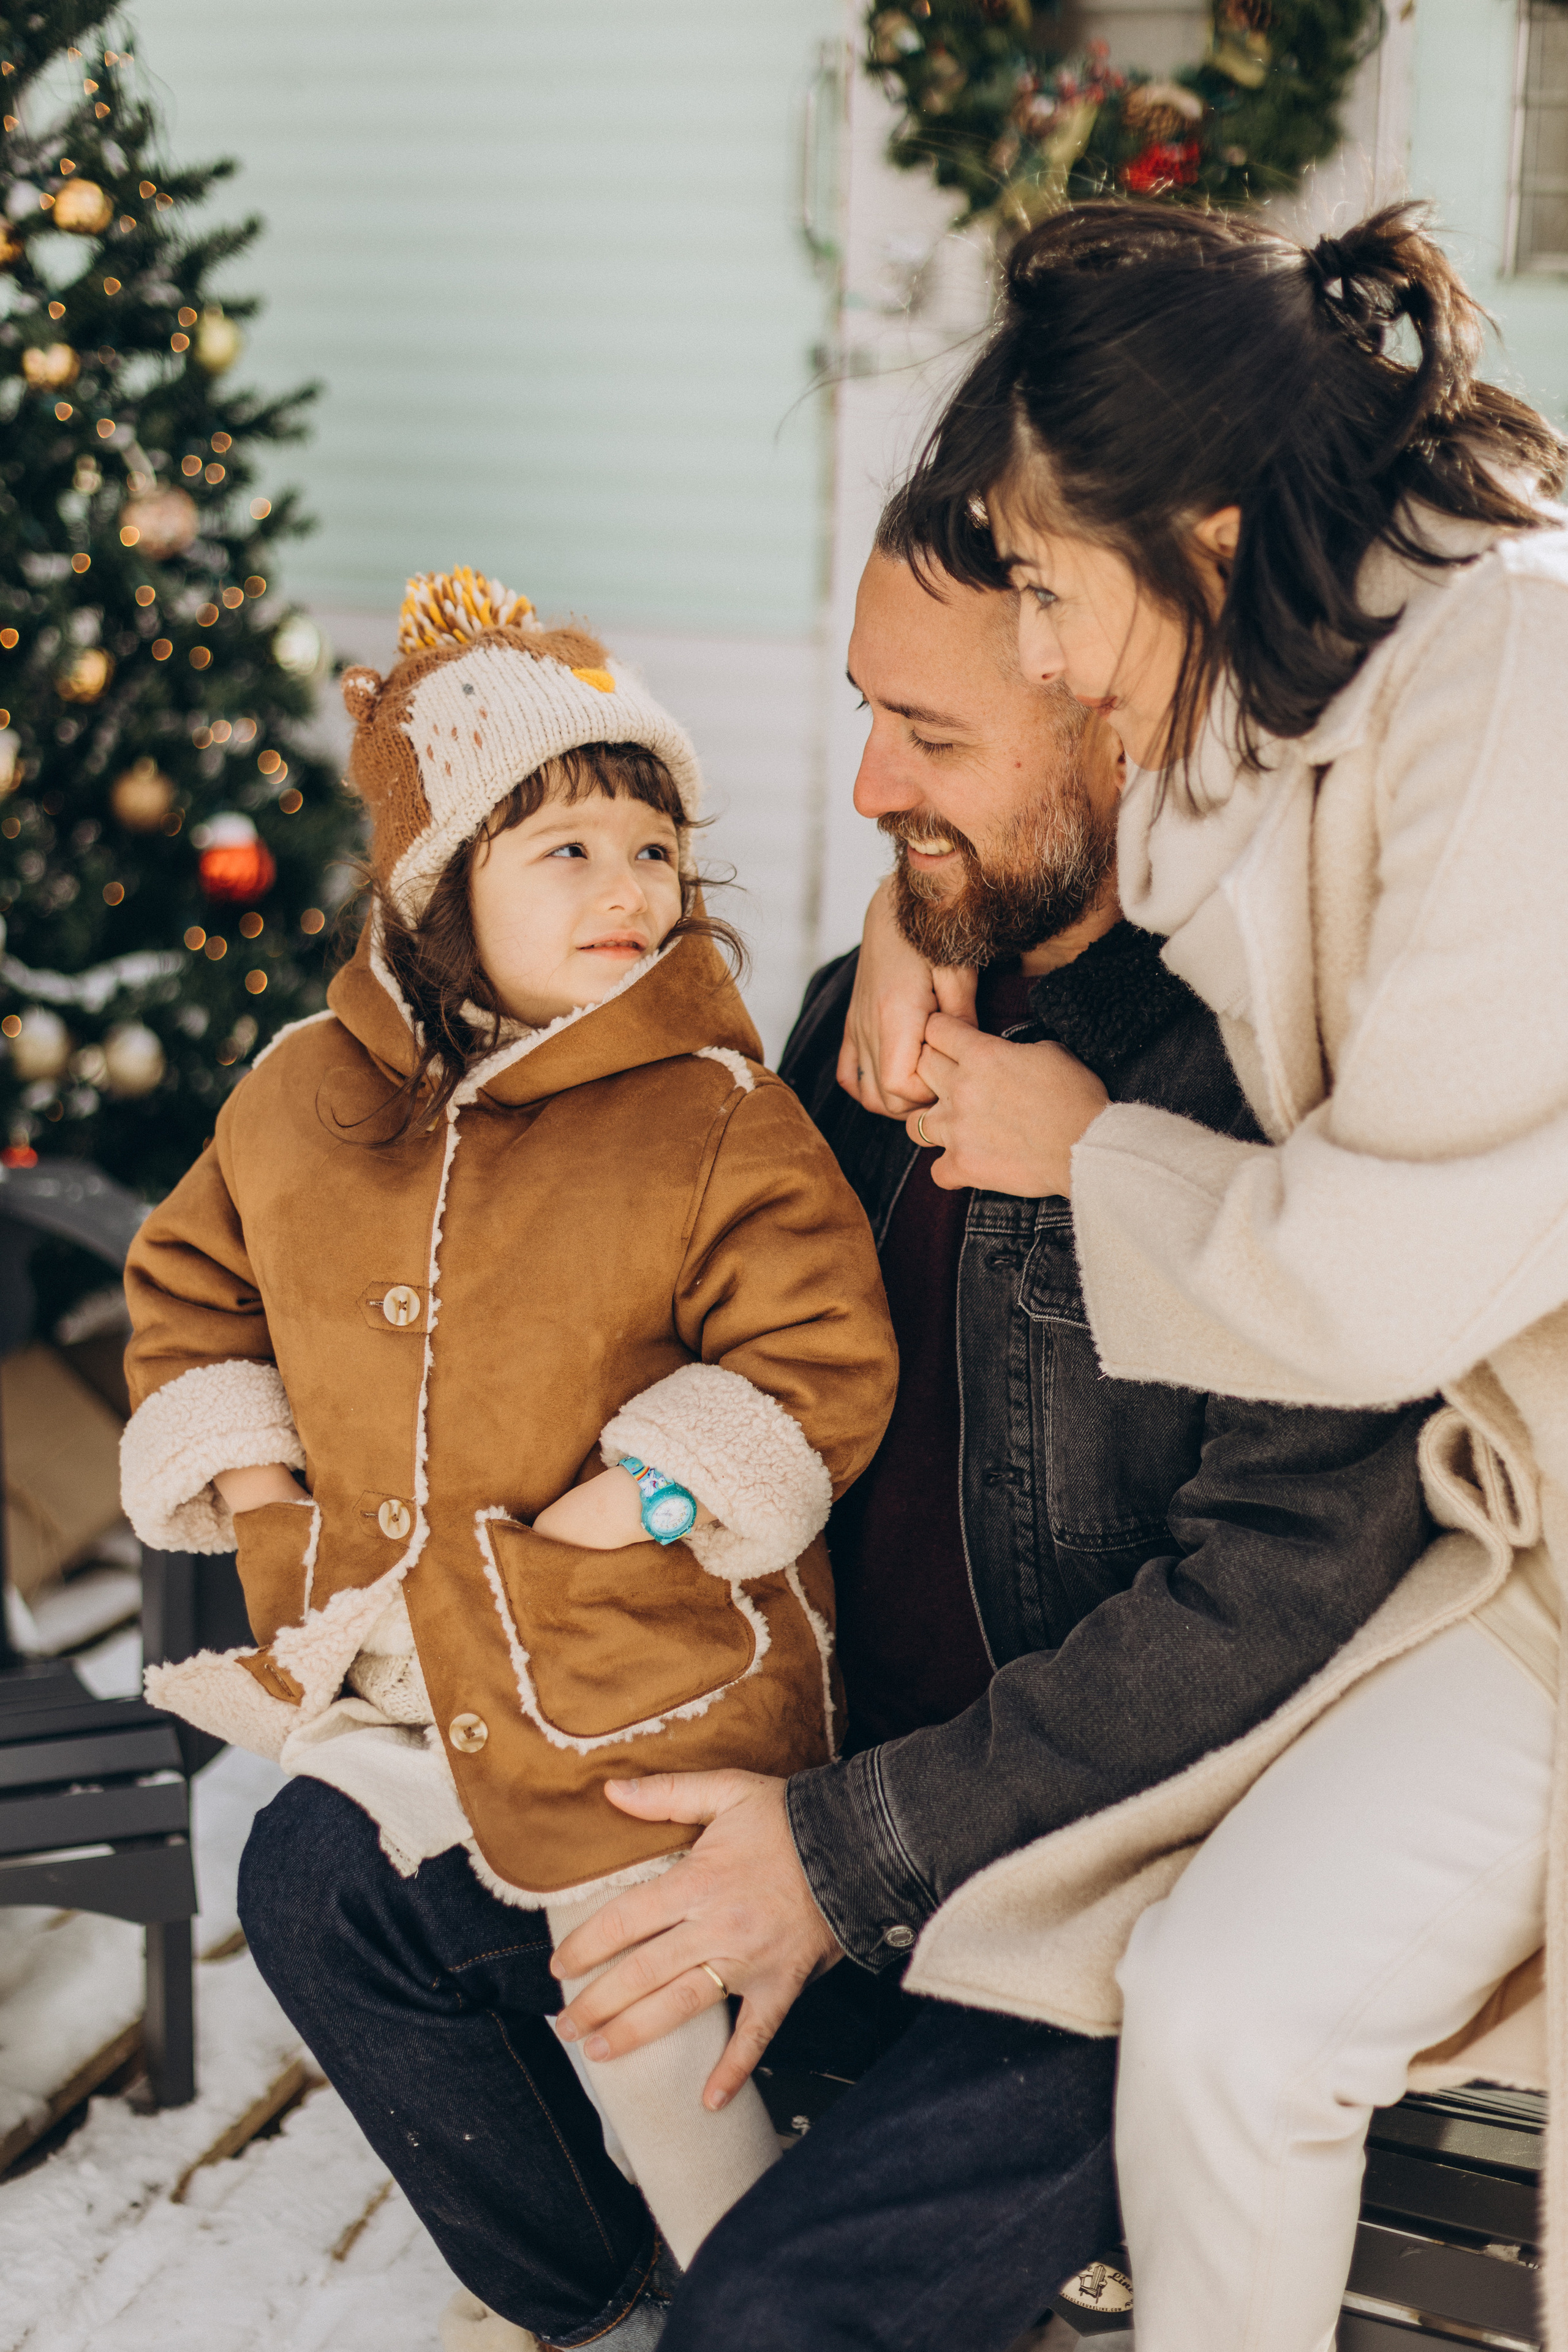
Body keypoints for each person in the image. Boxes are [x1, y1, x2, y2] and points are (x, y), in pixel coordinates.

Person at [545, 505, 1439, 2352]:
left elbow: (1277, 1596)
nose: (871, 783)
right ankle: (622, 2281)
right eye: (866, 713)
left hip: (1067, 1876)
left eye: (931, 737)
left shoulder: (1259, 1082)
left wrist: (844, 1850)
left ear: (1121, 718)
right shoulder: (868, 1007)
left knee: (778, 2321)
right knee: (334, 1886)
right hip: (815, 1781)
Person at [835, 199, 1568, 2352]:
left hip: (1501, 1523)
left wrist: (1093, 1159)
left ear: (1208, 528)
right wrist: (916, 903)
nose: (1046, 648)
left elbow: (1379, 1271)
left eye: (1052, 583)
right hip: (1488, 1527)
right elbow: (1101, 847)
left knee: (1236, 2015)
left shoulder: (1512, 674)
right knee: (1206, 1999)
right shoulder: (1283, 651)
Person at [118, 570, 897, 2348]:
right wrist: (257, 1497)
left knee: (642, 2025)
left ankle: (762, 2295)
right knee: (319, 1887)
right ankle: (561, 2279)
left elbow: (818, 1349)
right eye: (567, 853)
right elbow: (188, 1290)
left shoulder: (710, 1111)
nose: (629, 889)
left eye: (651, 848)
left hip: (635, 1672)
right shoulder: (299, 1098)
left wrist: (655, 1496)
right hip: (394, 1667)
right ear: (442, 888)